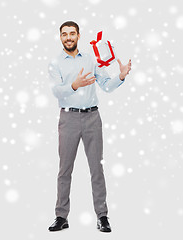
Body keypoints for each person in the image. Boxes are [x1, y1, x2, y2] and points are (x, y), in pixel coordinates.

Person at [48, 21, 131, 233]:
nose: (68, 37)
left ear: (78, 36)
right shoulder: (55, 63)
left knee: (97, 168)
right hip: (68, 119)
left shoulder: (91, 59)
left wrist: (120, 76)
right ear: (60, 37)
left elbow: (105, 86)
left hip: (92, 117)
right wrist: (74, 85)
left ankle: (102, 216)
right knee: (65, 169)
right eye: (64, 34)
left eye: (72, 33)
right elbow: (57, 91)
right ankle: (61, 216)